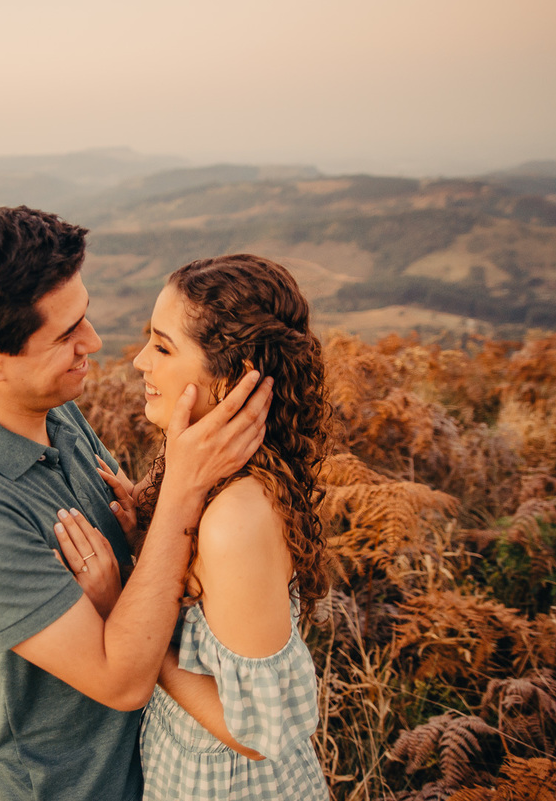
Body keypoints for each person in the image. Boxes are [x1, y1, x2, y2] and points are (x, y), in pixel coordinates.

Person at [0, 206, 273, 801]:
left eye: (85, 316)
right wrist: (182, 488)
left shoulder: (56, 410)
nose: (94, 343)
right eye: (65, 334)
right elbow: (120, 681)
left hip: (164, 765)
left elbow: (138, 569)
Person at [57, 254, 331, 800]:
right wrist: (147, 542)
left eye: (163, 347)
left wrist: (119, 616)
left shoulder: (236, 516)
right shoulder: (217, 483)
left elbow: (256, 733)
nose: (139, 361)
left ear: (230, 376)